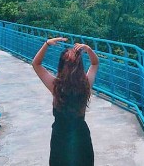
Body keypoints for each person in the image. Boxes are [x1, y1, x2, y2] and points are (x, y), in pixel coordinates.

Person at [32, 37, 100, 166]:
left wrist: (47, 44)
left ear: (61, 65)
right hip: (81, 136)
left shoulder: (55, 86)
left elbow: (36, 64)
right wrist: (88, 49)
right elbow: (95, 64)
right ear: (80, 66)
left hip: (60, 137)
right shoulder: (85, 85)